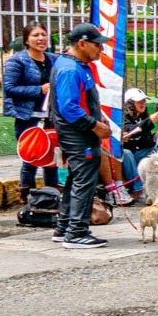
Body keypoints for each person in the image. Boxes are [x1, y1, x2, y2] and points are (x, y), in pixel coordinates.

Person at [48, 24, 115, 248]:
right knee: (85, 181)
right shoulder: (70, 69)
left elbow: (84, 101)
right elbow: (69, 107)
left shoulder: (78, 65)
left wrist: (98, 117)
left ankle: (64, 227)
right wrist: (94, 125)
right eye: (97, 45)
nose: (101, 49)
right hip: (78, 134)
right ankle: (76, 232)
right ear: (82, 44)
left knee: (76, 179)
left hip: (80, 132)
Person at [3, 22, 60, 200]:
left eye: (43, 34)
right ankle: (26, 195)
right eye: (35, 35)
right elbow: (9, 88)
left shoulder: (54, 59)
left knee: (52, 158)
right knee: (31, 157)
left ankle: (51, 196)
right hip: (28, 117)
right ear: (26, 40)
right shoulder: (17, 61)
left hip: (51, 117)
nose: (41, 38)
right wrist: (38, 90)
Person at [120, 88, 158, 197]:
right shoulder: (123, 117)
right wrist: (149, 121)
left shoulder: (142, 117)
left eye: (144, 101)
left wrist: (154, 135)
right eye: (139, 101)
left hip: (138, 152)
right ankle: (137, 189)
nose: (143, 104)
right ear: (130, 103)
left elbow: (146, 142)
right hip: (126, 156)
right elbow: (130, 130)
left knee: (155, 151)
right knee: (126, 153)